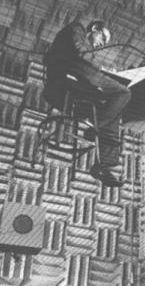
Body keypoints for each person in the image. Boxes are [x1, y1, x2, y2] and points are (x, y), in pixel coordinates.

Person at [44, 20, 131, 186]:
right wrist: (100, 71)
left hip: (76, 82)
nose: (101, 43)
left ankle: (103, 164)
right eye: (102, 37)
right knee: (123, 92)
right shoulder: (76, 28)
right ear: (94, 29)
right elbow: (81, 52)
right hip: (70, 72)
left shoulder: (88, 49)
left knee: (113, 111)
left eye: (104, 42)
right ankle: (96, 130)